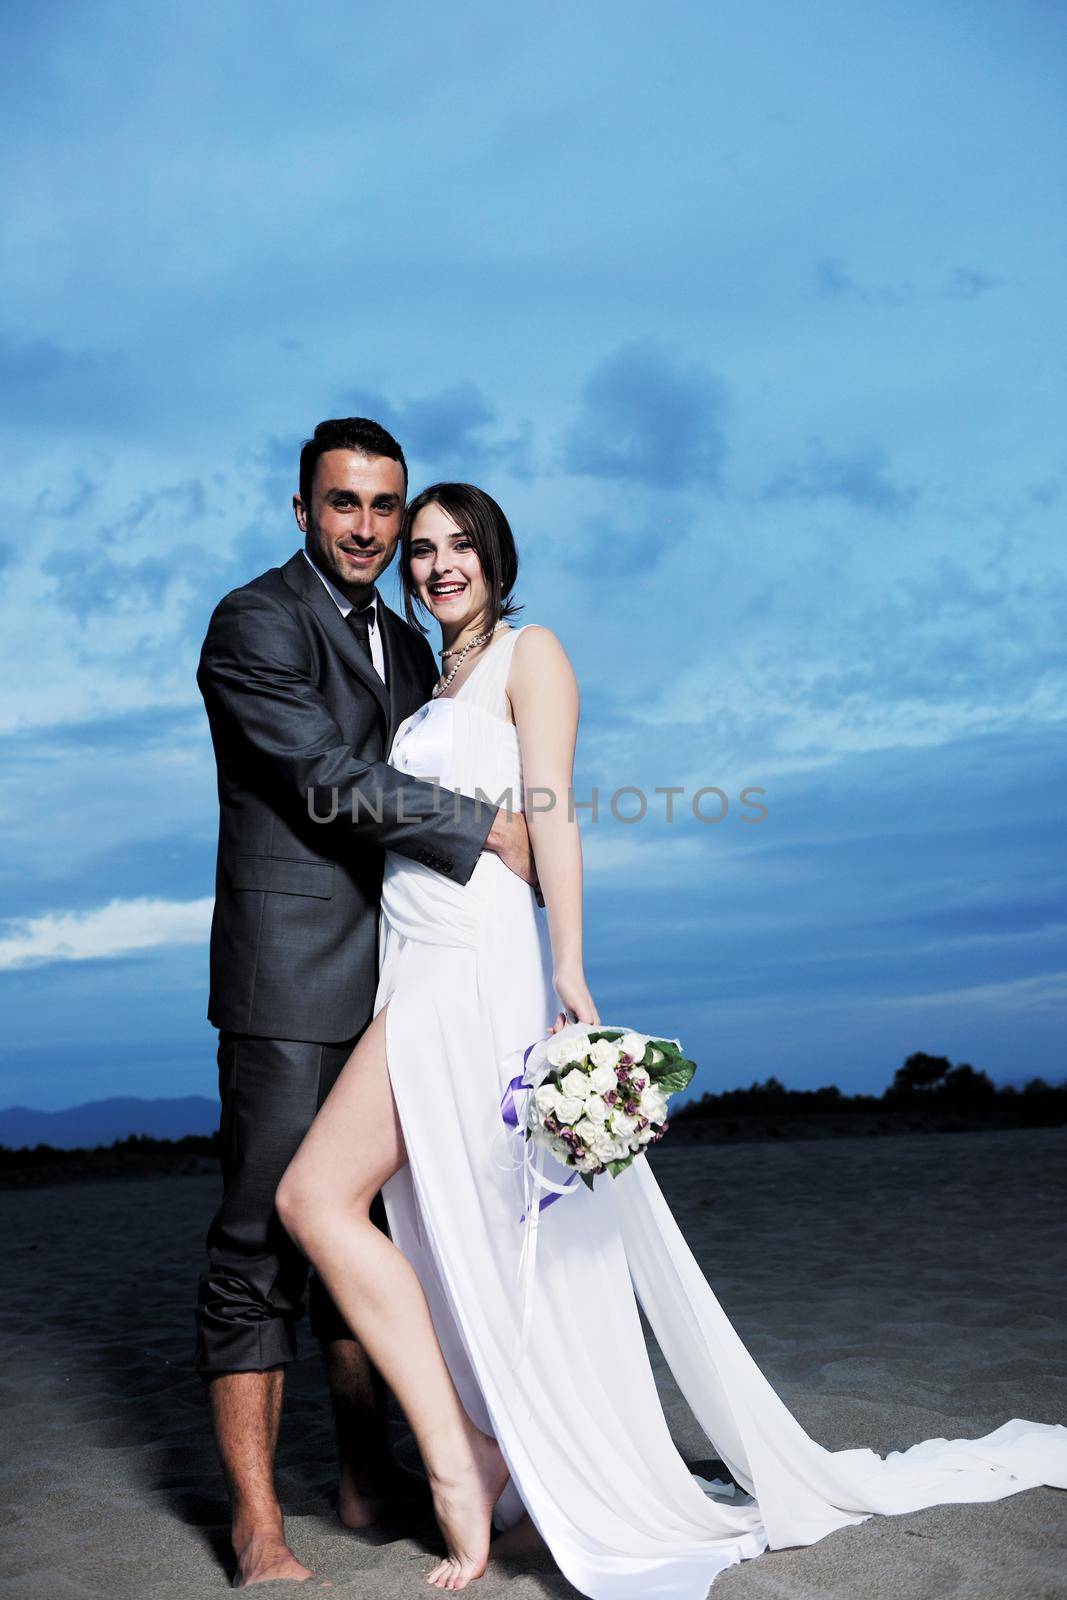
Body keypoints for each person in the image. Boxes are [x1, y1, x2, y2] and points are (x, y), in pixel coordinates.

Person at [276, 482, 1067, 1598]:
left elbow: (551, 808)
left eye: (459, 545)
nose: (437, 563)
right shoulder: (430, 673)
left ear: (497, 557)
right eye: (421, 548)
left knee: (319, 1196)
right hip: (412, 953)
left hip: (468, 961)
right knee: (451, 1226)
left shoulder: (528, 653)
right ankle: (486, 1440)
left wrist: (567, 966)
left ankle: (461, 1463)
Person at [194, 423, 538, 1588]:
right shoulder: (252, 622)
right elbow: (321, 777)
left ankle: (364, 1475)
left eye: (385, 508)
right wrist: (484, 827)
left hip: (408, 976)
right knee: (262, 1238)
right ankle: (255, 1523)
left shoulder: (413, 643)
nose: (368, 528)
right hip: (289, 976)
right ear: (301, 511)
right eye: (343, 505)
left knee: (377, 1231)